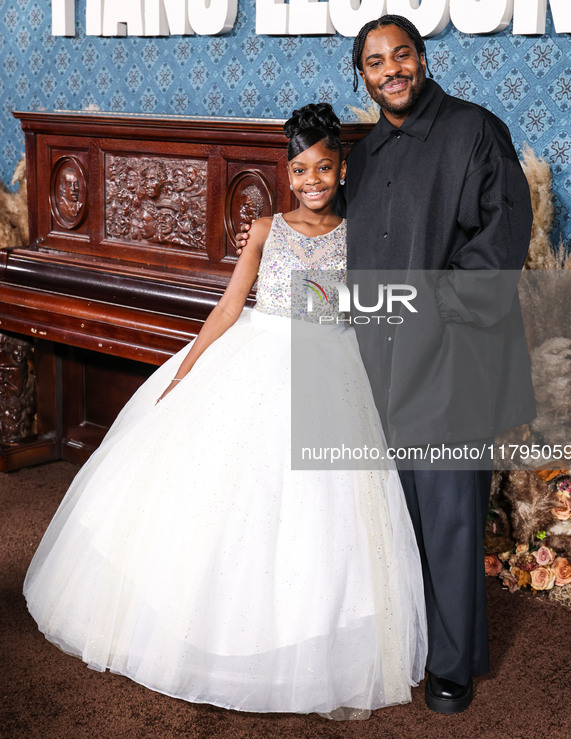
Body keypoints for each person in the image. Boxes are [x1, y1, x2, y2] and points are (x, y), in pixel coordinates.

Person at [23, 104, 427, 718]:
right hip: (258, 354)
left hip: (331, 366)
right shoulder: (265, 229)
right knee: (231, 491)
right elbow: (230, 305)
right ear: (286, 174)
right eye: (299, 169)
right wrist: (190, 367)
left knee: (322, 509)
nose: (311, 181)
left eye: (323, 168)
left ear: (342, 171)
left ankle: (304, 637)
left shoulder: (360, 233)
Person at [237, 17, 534, 715]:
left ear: (422, 60)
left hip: (454, 355)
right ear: (361, 76)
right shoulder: (361, 157)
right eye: (374, 61)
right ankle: (413, 643)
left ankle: (452, 667)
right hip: (379, 362)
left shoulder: (474, 131)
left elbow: (498, 245)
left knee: (451, 512)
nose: (390, 69)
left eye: (401, 54)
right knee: (398, 515)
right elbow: (329, 249)